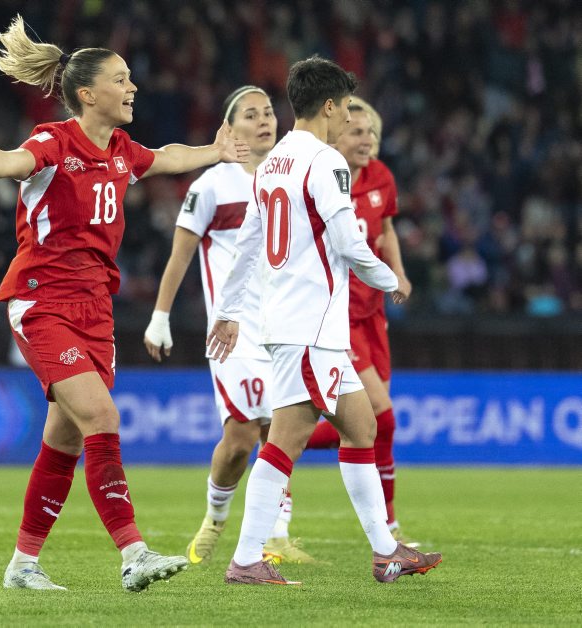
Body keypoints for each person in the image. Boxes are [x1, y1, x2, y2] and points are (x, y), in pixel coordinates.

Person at [0, 15, 250, 592]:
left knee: (64, 441)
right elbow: (13, 160)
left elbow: (167, 156)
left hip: (95, 309)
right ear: (87, 94)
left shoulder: (122, 150)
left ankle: (22, 565)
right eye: (121, 79)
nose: (133, 87)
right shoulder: (54, 142)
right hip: (43, 302)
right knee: (103, 417)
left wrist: (215, 150)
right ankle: (133, 554)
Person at [206, 55, 441, 585]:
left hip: (300, 325)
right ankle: (246, 559)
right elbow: (349, 240)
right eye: (347, 108)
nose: (350, 119)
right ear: (330, 106)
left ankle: (386, 552)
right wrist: (390, 279)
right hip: (310, 327)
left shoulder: (273, 163)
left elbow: (246, 245)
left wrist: (229, 311)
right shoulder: (324, 161)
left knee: (362, 428)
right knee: (285, 441)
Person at [142, 86, 314, 565]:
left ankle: (276, 536)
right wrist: (160, 317)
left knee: (280, 432)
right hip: (232, 332)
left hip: (285, 326)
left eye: (268, 112)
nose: (264, 121)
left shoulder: (293, 176)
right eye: (250, 115)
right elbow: (180, 255)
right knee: (240, 439)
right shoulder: (212, 186)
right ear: (229, 127)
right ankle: (215, 516)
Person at [303, 97, 419, 546]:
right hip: (338, 316)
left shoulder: (381, 176)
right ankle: (389, 525)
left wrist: (399, 274)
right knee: (382, 418)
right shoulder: (323, 177)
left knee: (367, 424)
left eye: (370, 131)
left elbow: (386, 230)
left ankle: (283, 443)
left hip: (373, 315)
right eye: (356, 131)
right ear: (336, 136)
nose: (367, 139)